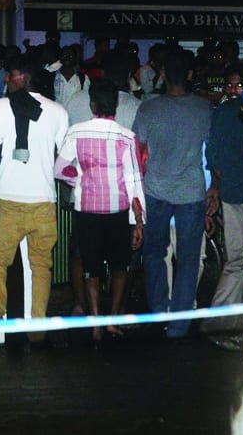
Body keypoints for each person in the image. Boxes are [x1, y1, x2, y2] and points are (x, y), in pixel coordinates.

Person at [0, 57, 69, 346]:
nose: (6, 80)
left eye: (10, 75)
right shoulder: (58, 112)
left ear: (24, 77)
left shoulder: (1, 107)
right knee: (41, 265)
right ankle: (37, 326)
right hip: (43, 200)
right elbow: (63, 158)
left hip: (10, 198)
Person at [54, 78, 145, 345]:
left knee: (90, 268)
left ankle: (95, 324)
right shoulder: (126, 137)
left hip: (87, 209)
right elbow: (134, 180)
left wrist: (79, 179)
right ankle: (113, 319)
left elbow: (59, 169)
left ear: (92, 104)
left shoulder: (76, 132)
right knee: (120, 266)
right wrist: (139, 221)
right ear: (115, 105)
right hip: (118, 209)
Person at [131, 50, 212, 339]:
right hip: (191, 191)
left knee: (154, 253)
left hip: (155, 189)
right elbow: (211, 151)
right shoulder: (204, 109)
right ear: (190, 74)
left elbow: (136, 149)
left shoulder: (148, 109)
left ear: (163, 74)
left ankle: (158, 312)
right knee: (188, 259)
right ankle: (179, 323)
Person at [201, 62, 243, 333]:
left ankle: (219, 321)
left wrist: (217, 184)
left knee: (236, 261)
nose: (233, 89)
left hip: (231, 194)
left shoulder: (221, 113)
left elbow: (212, 155)